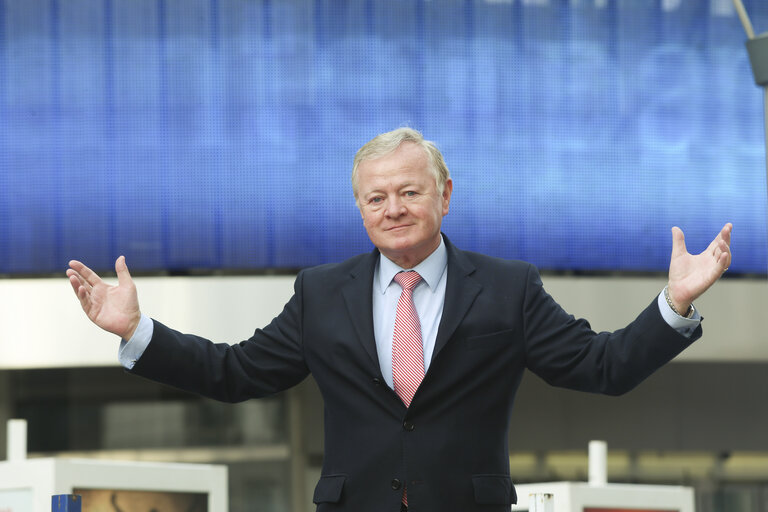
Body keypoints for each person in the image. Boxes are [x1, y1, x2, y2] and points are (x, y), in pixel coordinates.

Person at [67, 127, 732, 512]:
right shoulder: (321, 292)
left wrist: (674, 304)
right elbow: (235, 372)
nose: (394, 208)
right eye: (376, 196)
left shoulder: (507, 287)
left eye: (411, 192)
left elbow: (604, 366)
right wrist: (136, 331)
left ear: (445, 196)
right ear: (359, 208)